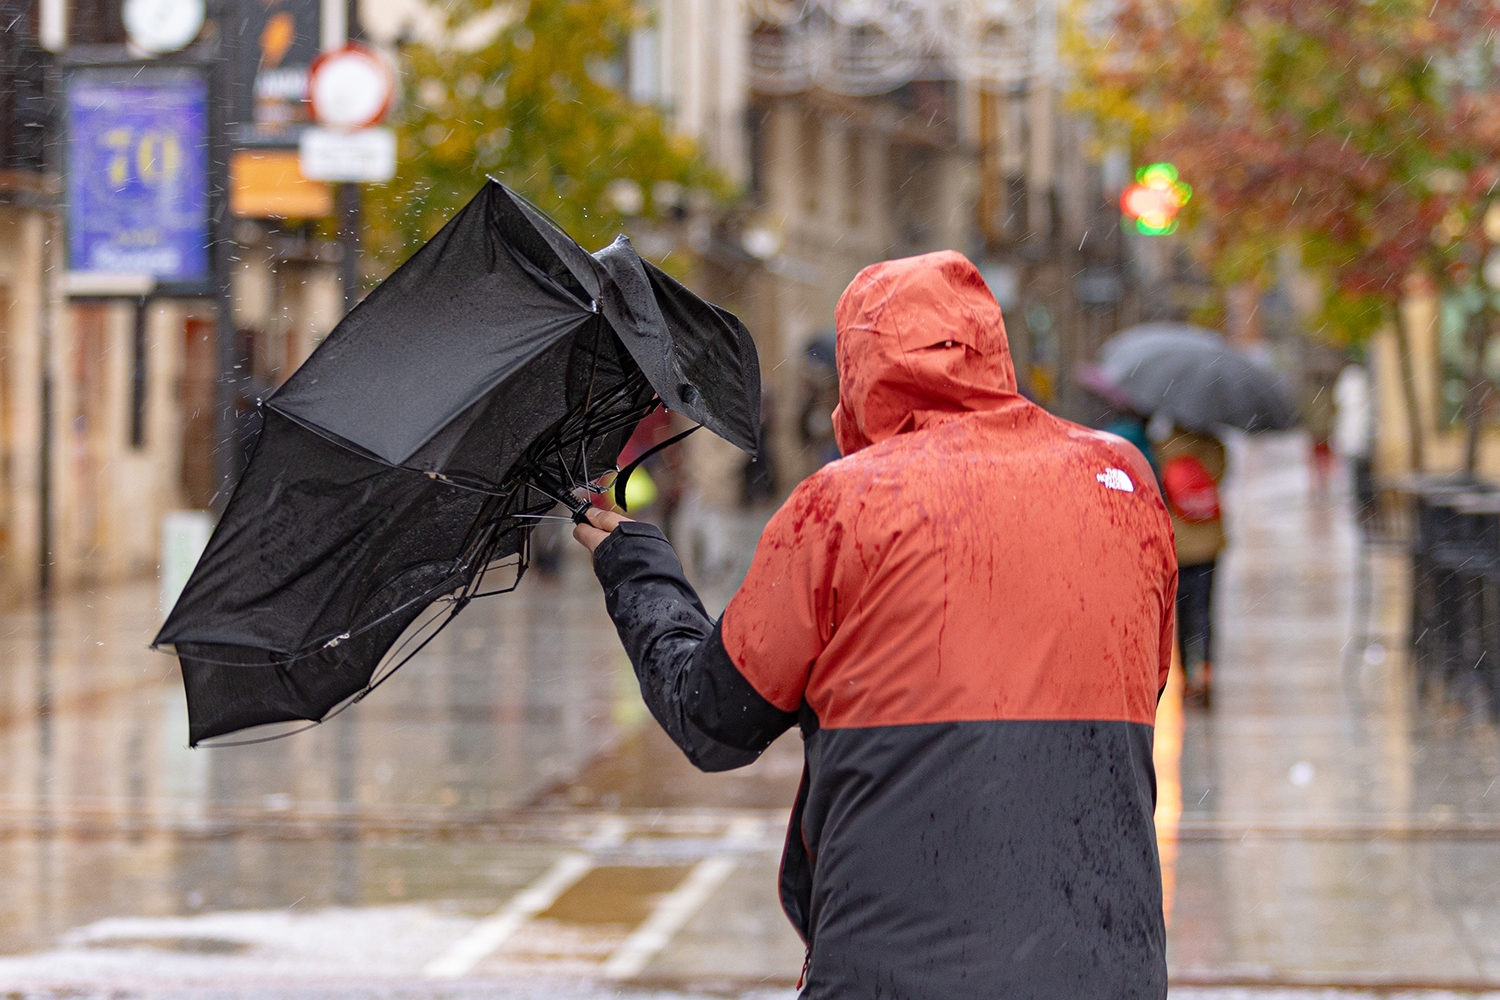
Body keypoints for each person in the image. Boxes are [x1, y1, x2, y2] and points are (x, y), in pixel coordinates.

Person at [574, 252, 1177, 998]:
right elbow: (1140, 685)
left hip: (894, 974)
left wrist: (633, 563)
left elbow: (714, 720)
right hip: (1109, 970)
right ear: (992, 349)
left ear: (859, 367)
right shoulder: (1121, 482)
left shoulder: (843, 503)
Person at [1156, 427, 1227, 707]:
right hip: (1209, 541)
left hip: (1179, 543)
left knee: (1182, 614)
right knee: (1204, 610)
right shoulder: (1213, 445)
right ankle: (1205, 672)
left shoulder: (1163, 445)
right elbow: (1218, 477)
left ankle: (1186, 678)